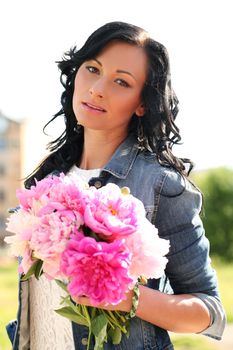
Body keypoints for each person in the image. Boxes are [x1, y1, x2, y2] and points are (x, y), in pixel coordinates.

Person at [7, 21, 226, 349]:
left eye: (121, 81)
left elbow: (210, 313)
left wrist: (128, 298)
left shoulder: (159, 185)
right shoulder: (46, 182)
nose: (97, 88)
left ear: (142, 103)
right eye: (93, 69)